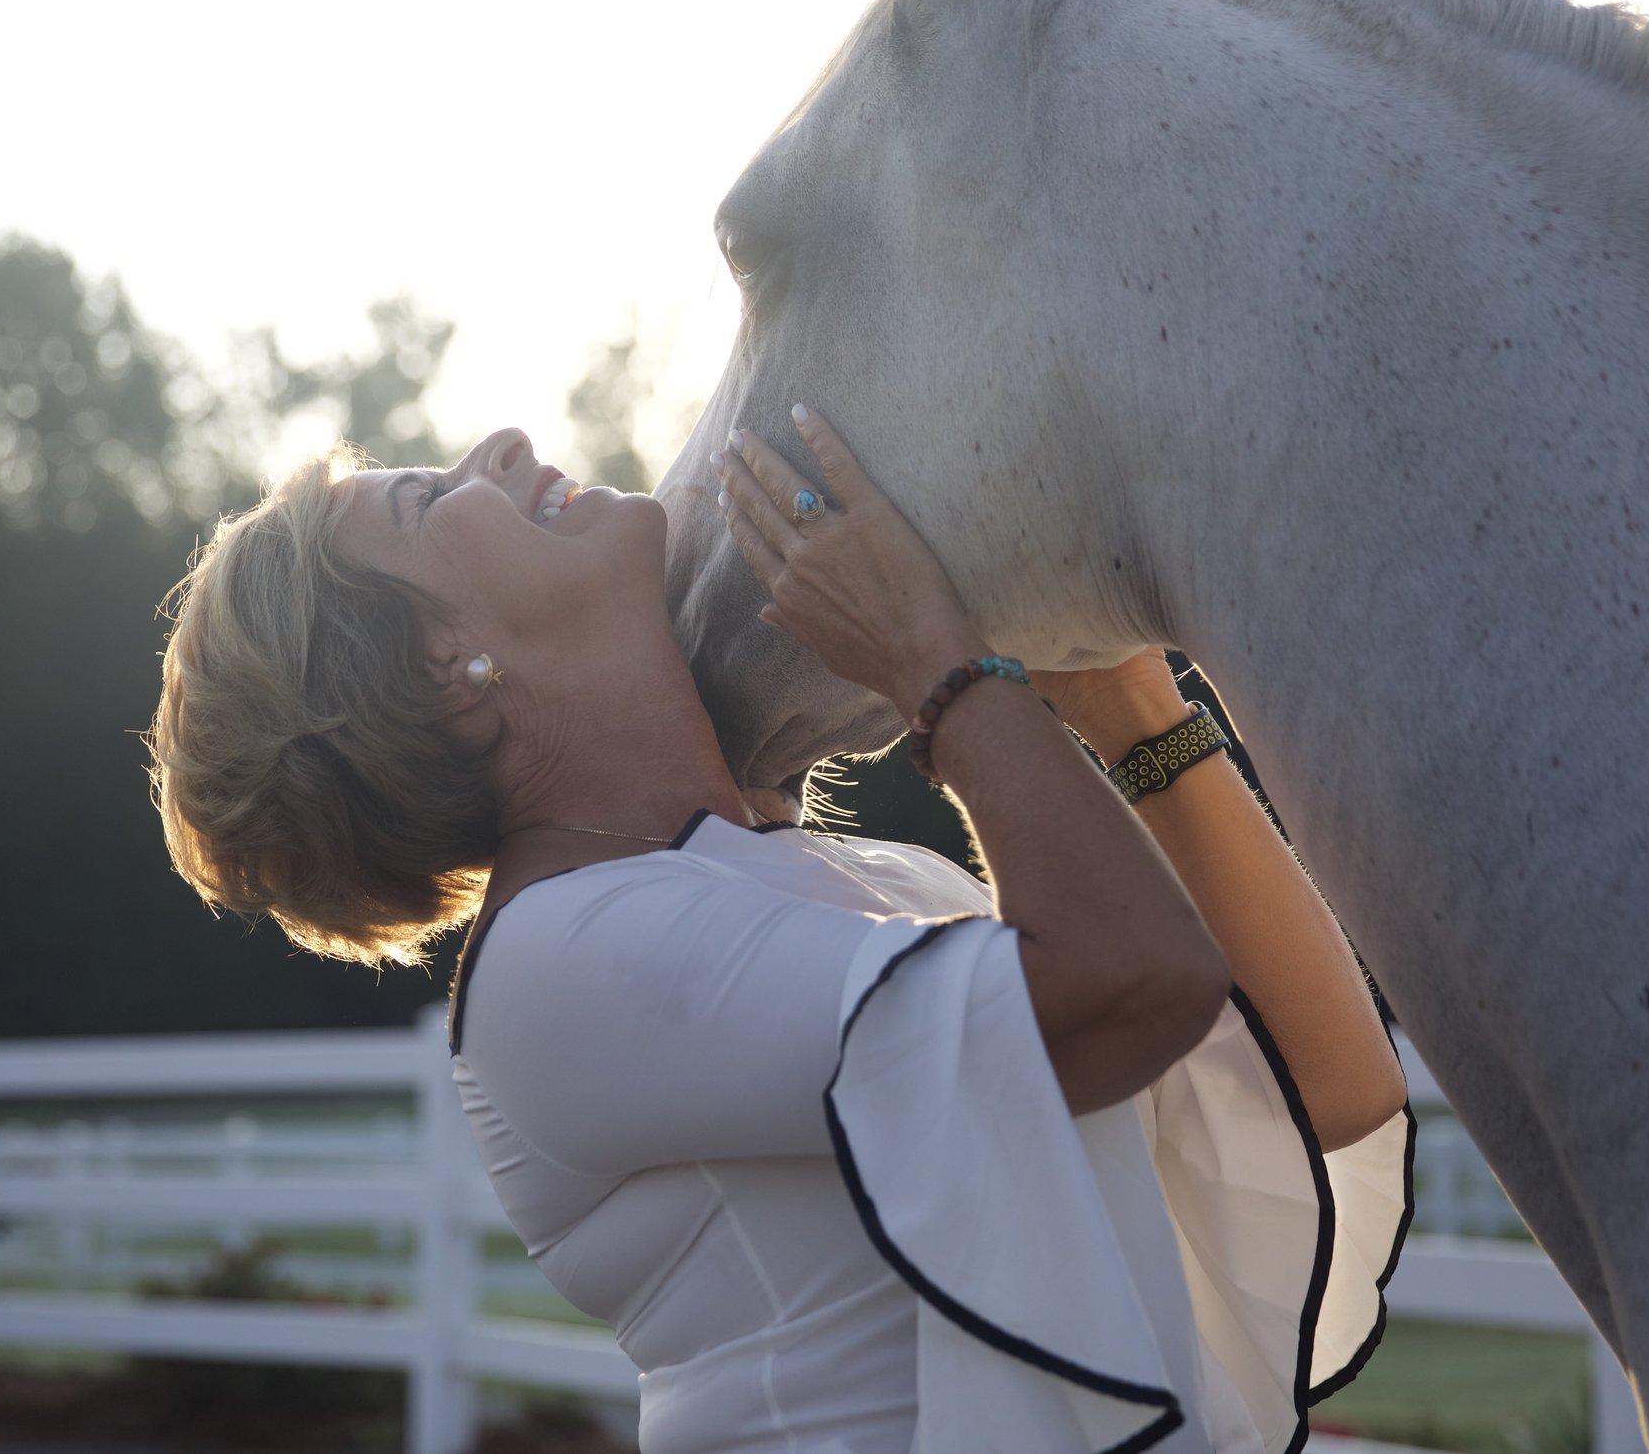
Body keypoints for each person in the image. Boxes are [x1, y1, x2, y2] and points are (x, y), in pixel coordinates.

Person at [146, 408, 1412, 1454]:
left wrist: (1135, 703)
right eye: (425, 500)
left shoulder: (853, 875)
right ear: (439, 667)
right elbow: (1131, 976)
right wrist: (937, 665)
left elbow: (1333, 1093)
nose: (502, 439)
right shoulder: (553, 969)